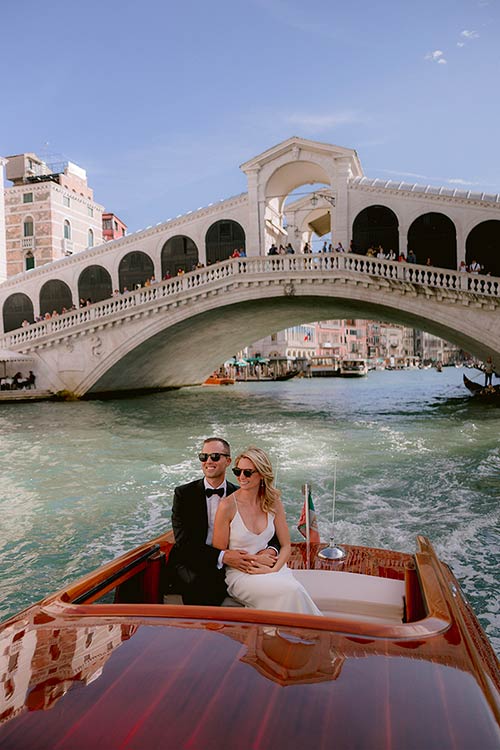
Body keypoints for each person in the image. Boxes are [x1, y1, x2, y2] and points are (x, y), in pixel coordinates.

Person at [167, 437, 279, 606]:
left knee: (274, 587)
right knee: (201, 585)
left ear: (228, 461)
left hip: (236, 561)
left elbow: (272, 535)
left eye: (215, 456)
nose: (208, 461)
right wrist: (224, 557)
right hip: (192, 559)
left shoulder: (242, 493)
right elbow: (185, 544)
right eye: (203, 457)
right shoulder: (184, 494)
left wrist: (270, 551)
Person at [213, 447, 323, 615]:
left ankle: (293, 636)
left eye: (248, 472)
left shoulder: (273, 502)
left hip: (274, 567)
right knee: (292, 591)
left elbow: (286, 546)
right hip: (242, 574)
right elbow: (219, 551)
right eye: (237, 471)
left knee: (293, 590)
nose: (241, 477)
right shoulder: (227, 506)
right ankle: (312, 635)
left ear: (262, 475)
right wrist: (255, 560)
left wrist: (273, 569)